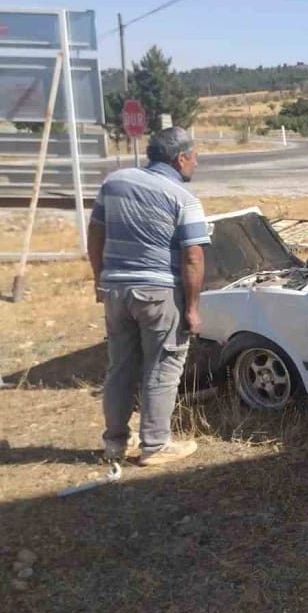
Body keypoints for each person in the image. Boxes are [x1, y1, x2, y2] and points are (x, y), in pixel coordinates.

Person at [87, 127, 208, 467]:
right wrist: (193, 308)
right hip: (158, 292)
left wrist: (100, 280)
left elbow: (96, 233)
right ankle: (155, 445)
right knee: (162, 368)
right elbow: (193, 257)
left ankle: (115, 443)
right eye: (194, 156)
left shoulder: (115, 182)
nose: (196, 162)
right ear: (180, 158)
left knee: (120, 368)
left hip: (115, 289)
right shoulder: (183, 198)